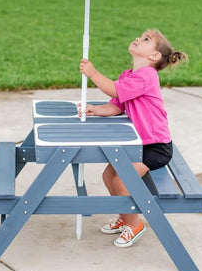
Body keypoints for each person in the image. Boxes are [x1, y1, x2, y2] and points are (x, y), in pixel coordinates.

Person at [79, 29, 188, 248]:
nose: (138, 39)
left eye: (146, 39)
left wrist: (93, 73)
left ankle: (135, 224)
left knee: (122, 179)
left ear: (154, 56)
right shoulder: (128, 76)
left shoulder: (147, 76)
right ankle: (125, 215)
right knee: (109, 175)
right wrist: (95, 110)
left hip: (156, 147)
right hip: (139, 144)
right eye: (140, 36)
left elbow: (114, 90)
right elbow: (116, 106)